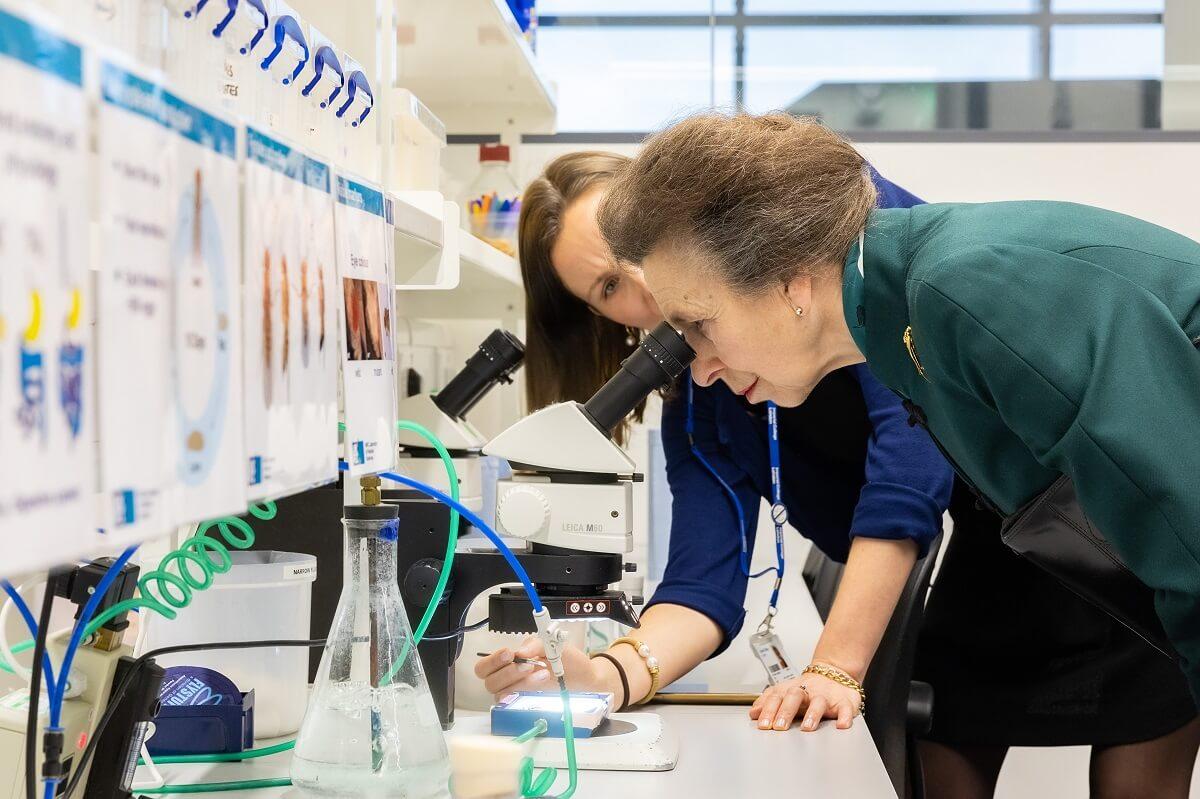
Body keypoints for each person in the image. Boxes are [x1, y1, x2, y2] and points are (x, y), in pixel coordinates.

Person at [476, 148, 1198, 797]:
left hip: (1103, 514)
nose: (648, 289)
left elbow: (909, 482)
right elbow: (703, 576)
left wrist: (836, 665)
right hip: (1022, 533)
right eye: (610, 286)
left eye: (635, 249)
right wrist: (609, 674)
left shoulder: (916, 279)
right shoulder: (736, 366)